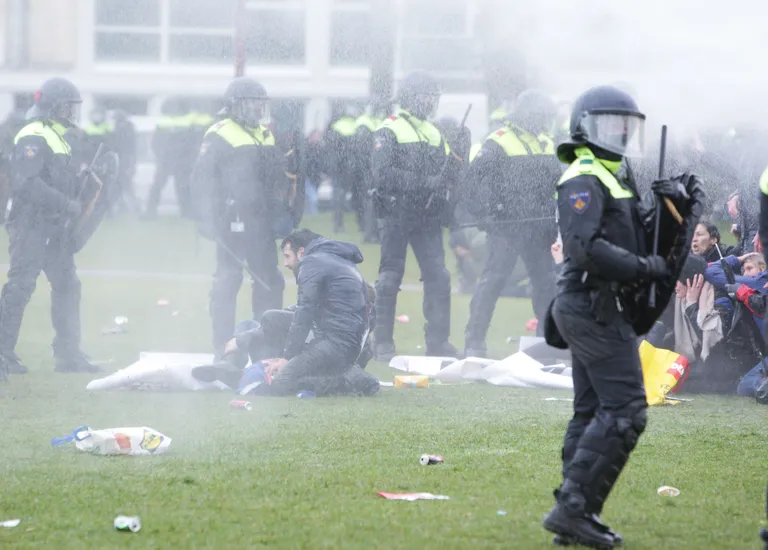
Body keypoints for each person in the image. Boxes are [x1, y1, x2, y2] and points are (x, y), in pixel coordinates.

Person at [542, 85, 704, 548]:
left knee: (592, 409)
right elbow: (584, 248)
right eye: (609, 123)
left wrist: (674, 213)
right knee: (627, 408)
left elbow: (635, 239)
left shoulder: (617, 174)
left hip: (594, 306)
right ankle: (572, 508)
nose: (618, 132)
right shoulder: (584, 175)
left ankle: (575, 511)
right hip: (591, 305)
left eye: (625, 125)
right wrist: (643, 267)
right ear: (584, 128)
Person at [0, 77, 104, 377]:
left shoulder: (59, 135)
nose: (73, 113)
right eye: (68, 107)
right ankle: (3, 353)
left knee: (68, 286)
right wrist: (65, 203)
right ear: (53, 107)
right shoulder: (34, 135)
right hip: (31, 224)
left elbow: (60, 179)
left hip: (55, 226)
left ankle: (68, 354)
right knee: (20, 286)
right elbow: (27, 183)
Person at [371, 71, 468, 360]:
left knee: (439, 276)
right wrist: (424, 183)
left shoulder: (433, 131)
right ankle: (383, 343)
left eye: (433, 98)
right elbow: (383, 173)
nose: (431, 103)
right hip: (397, 214)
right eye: (426, 97)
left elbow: (447, 173)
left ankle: (438, 342)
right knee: (390, 278)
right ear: (412, 98)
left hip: (427, 217)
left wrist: (457, 157)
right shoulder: (389, 128)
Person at [190, 77, 286, 358]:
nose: (259, 108)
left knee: (270, 280)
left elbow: (274, 181)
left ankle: (265, 340)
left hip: (262, 223)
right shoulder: (219, 133)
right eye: (254, 102)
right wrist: (206, 217)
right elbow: (201, 180)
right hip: (231, 220)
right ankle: (223, 344)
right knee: (228, 280)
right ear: (236, 105)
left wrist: (283, 211)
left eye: (261, 103)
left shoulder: (264, 133)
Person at [220, 229, 380, 397]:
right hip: (334, 339)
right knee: (268, 320)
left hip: (335, 343)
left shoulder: (312, 263)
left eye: (288, 256)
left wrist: (287, 358)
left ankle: (346, 381)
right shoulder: (333, 261)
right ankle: (248, 362)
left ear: (301, 253)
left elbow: (305, 313)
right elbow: (309, 310)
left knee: (282, 382)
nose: (285, 264)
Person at [462, 89, 561, 356]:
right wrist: (484, 213)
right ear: (528, 115)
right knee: (494, 280)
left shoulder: (546, 142)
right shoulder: (499, 141)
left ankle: (546, 341)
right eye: (540, 117)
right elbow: (471, 181)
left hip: (540, 228)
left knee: (545, 284)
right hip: (506, 227)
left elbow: (558, 184)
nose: (544, 122)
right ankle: (474, 340)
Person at [326, 102, 361, 233]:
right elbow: (356, 148)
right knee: (348, 194)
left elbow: (331, 148)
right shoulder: (355, 125)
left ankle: (337, 223)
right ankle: (357, 223)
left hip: (338, 166)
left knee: (338, 195)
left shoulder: (336, 126)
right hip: (350, 166)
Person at [109, 109, 138, 213]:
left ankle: (136, 208)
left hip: (125, 164)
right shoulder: (122, 129)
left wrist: (130, 166)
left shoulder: (126, 130)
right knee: (119, 188)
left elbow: (130, 150)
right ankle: (123, 208)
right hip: (121, 163)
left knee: (127, 187)